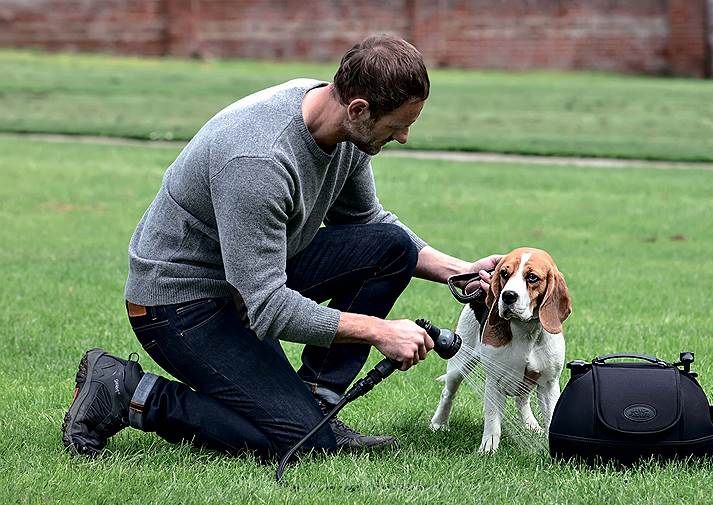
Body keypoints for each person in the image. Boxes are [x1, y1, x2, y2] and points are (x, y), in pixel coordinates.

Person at [62, 35, 498, 460]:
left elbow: (368, 224)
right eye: (399, 124)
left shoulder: (342, 124)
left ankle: (317, 403)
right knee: (300, 442)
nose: (403, 136)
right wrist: (380, 331)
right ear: (360, 109)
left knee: (391, 247)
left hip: (249, 277)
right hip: (181, 304)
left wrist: (461, 272)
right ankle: (126, 391)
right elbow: (267, 307)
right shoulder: (260, 161)